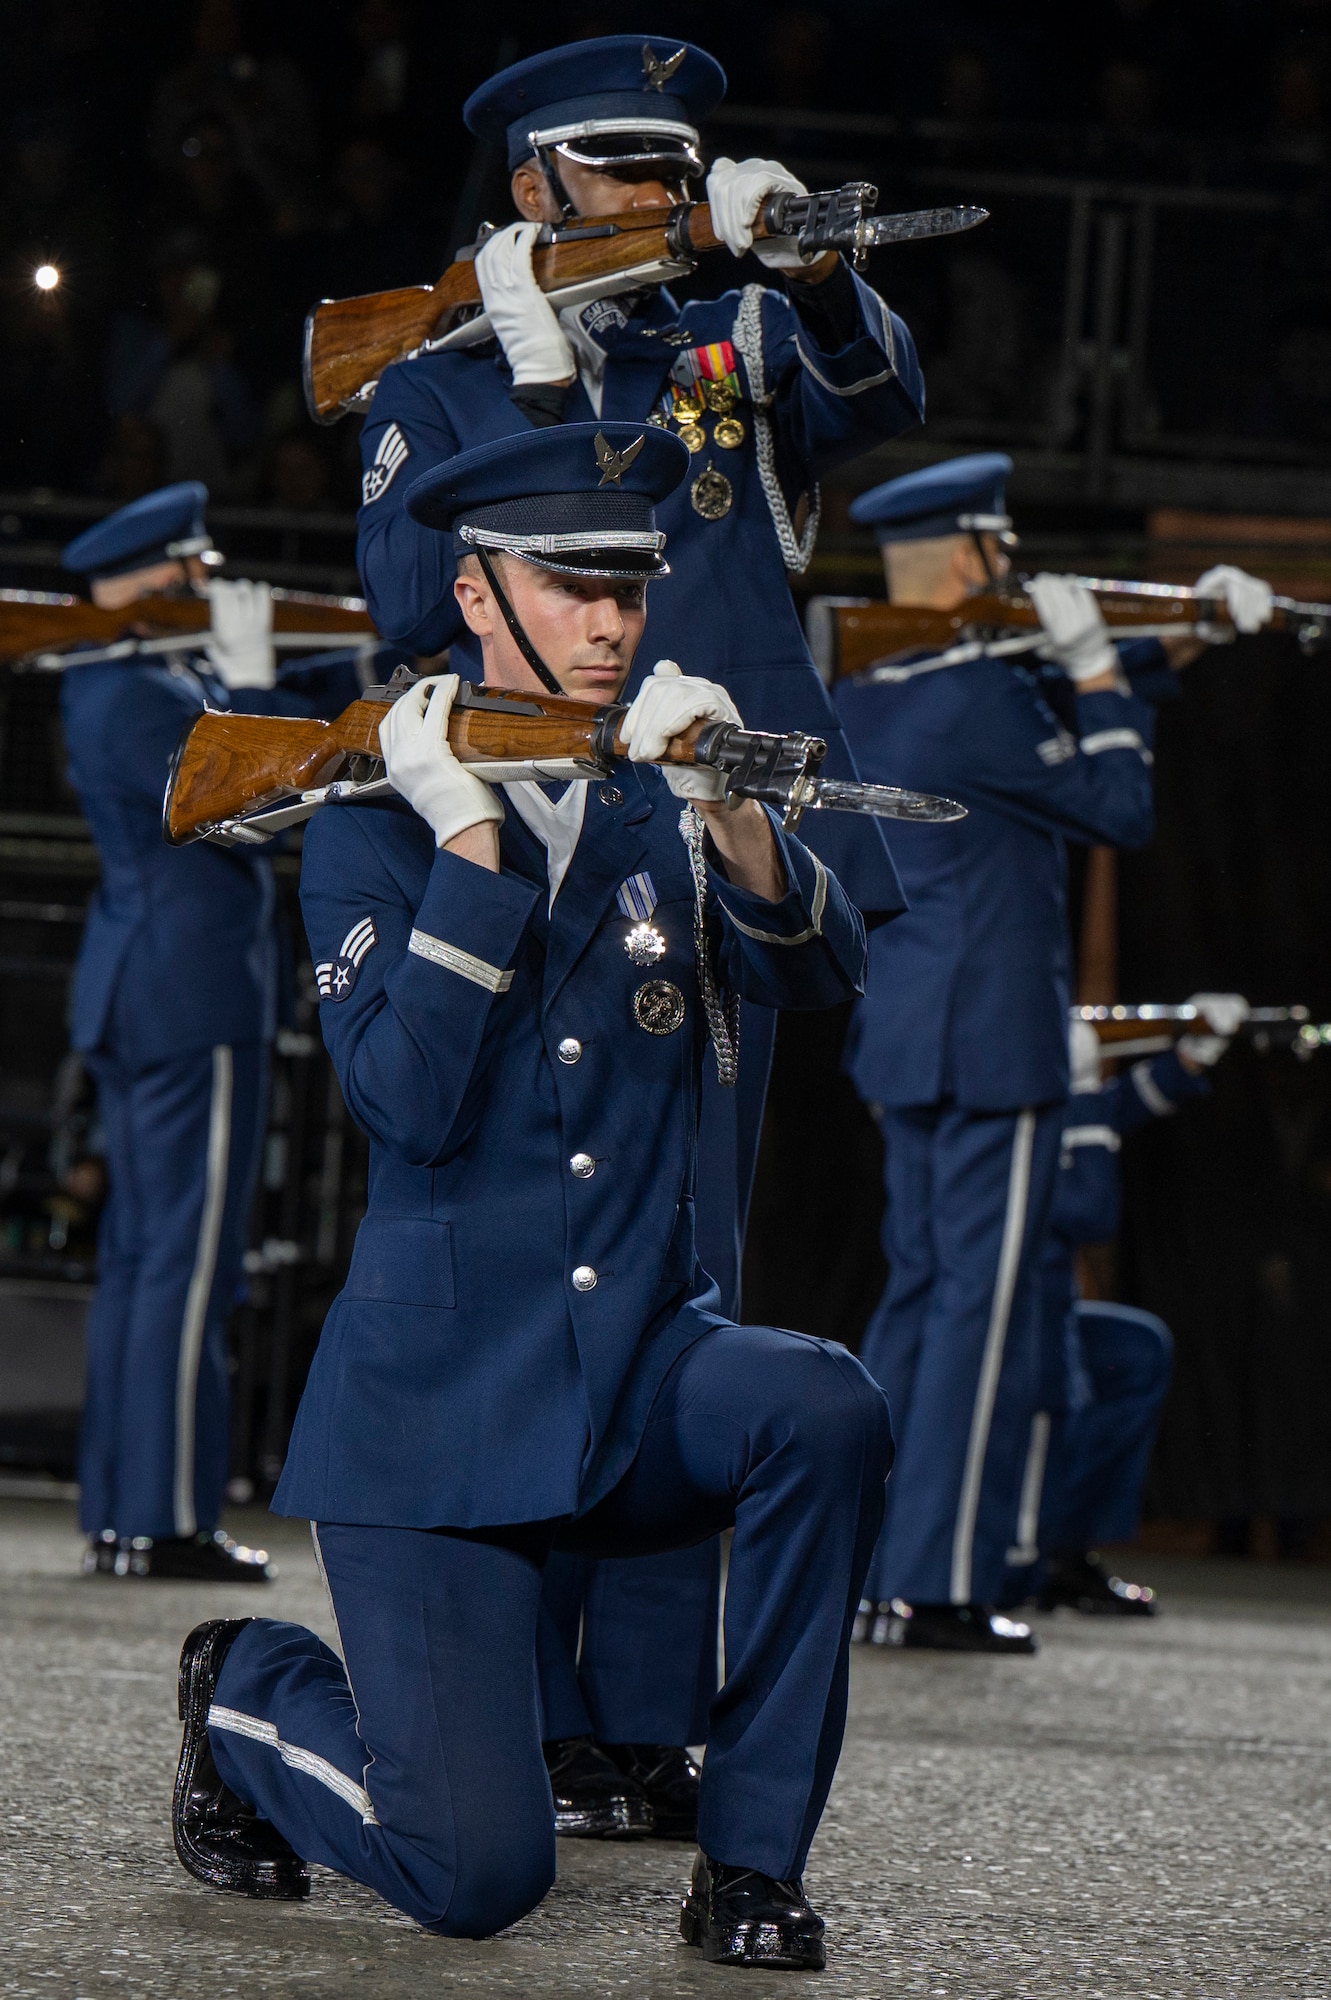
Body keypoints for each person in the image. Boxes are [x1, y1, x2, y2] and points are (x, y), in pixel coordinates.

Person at [170, 421, 889, 1970]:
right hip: (434, 1418)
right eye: (571, 588)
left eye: (627, 590)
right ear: (475, 589)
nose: (611, 623)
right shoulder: (367, 817)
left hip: (630, 1382)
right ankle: (245, 1695)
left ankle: (750, 1864)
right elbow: (406, 1105)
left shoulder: (653, 800)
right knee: (473, 1877)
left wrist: (736, 816)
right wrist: (471, 843)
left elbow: (823, 981)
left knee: (821, 1403)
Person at [353, 32, 922, 1831]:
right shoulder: (442, 354)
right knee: (524, 1242)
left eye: (682, 168)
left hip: (696, 808)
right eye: (620, 168)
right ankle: (512, 1696)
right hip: (515, 818)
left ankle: (635, 1723)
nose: (667, 197)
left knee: (688, 1258)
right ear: (533, 186)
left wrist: (818, 271)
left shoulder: (729, 330)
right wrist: (524, 353)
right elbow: (405, 590)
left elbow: (876, 398)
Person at [835, 453, 1274, 1653]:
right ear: (978, 552)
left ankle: (874, 1566)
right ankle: (938, 1582)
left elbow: (1056, 713)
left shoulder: (881, 688)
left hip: (907, 1047)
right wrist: (1091, 664)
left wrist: (1186, 631)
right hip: (989, 1048)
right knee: (976, 1323)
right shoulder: (982, 697)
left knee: (918, 1308)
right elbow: (1113, 804)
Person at [60, 481, 369, 1583]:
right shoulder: (137, 694)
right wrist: (242, 682)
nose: (210, 584)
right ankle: (168, 1513)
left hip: (145, 990)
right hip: (189, 997)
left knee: (148, 1261)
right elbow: (226, 815)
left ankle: (128, 1509)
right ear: (161, 581)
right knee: (185, 1264)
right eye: (194, 572)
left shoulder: (123, 683)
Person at [1002, 1002, 1245, 1616]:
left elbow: (1113, 1110)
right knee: (1065, 1377)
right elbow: (1088, 1210)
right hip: (1002, 1312)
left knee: (1135, 1350)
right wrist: (1081, 1091)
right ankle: (1017, 1557)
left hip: (1047, 1308)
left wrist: (1186, 1059)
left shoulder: (1055, 1094)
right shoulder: (1001, 1093)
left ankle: (1066, 1549)